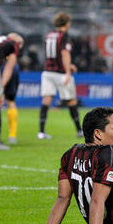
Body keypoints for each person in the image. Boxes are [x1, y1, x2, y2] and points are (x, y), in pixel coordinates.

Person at [38, 12, 83, 140]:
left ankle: (41, 132)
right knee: (71, 100)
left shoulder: (49, 35)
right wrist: (68, 71)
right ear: (67, 23)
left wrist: (69, 65)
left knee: (46, 100)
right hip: (61, 73)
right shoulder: (64, 36)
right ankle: (79, 130)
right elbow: (64, 54)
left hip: (47, 72)